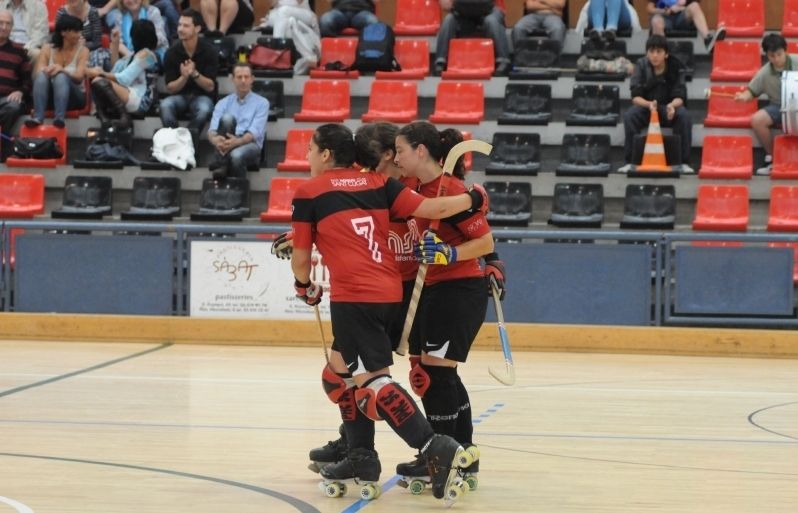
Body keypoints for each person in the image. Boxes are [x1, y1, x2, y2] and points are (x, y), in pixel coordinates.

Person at [290, 122, 488, 502]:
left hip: (363, 295)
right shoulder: (380, 185)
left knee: (377, 381)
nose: (306, 157)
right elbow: (434, 209)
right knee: (339, 374)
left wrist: (304, 286)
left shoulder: (309, 191)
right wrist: (475, 198)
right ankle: (359, 453)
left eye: (310, 150)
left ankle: (434, 446)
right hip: (391, 288)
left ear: (326, 154)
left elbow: (302, 260)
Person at [391, 121, 503, 491]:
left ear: (421, 150)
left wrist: (448, 253)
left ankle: (440, 456)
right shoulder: (416, 189)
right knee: (437, 375)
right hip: (430, 292)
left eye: (402, 150)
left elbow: (485, 243)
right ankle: (463, 453)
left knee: (437, 376)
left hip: (458, 290)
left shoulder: (452, 190)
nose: (397, 158)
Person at [619, 35, 692, 174]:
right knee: (629, 116)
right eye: (651, 52)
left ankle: (683, 162)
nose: (654, 55)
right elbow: (635, 97)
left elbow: (681, 96)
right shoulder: (640, 65)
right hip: (647, 107)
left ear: (666, 53)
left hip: (667, 107)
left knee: (684, 116)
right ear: (647, 53)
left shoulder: (675, 66)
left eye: (659, 52)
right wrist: (649, 105)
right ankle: (630, 161)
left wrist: (672, 105)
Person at [734, 34, 795, 176]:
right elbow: (751, 91)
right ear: (767, 55)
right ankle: (773, 157)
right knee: (757, 120)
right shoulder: (764, 73)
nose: (777, 59)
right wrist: (743, 96)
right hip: (778, 107)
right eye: (772, 56)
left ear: (785, 51)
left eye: (779, 54)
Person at [86, 18, 159, 128]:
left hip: (141, 101)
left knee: (99, 80)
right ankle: (104, 116)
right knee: (98, 81)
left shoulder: (148, 56)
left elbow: (124, 79)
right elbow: (115, 72)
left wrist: (101, 73)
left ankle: (123, 117)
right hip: (128, 95)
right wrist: (115, 44)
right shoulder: (132, 56)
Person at [160, 8, 218, 146]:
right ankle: (175, 142)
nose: (180, 29)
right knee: (165, 105)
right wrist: (184, 77)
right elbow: (170, 88)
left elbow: (210, 86)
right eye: (179, 25)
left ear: (197, 28)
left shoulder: (209, 51)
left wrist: (194, 73)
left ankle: (188, 142)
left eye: (186, 26)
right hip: (180, 95)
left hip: (202, 96)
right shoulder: (171, 52)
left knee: (204, 109)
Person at [26, 14, 89, 129]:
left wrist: (63, 71)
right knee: (41, 76)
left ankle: (59, 118)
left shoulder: (83, 51)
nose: (79, 35)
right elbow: (38, 73)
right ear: (63, 32)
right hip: (49, 96)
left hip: (74, 97)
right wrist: (48, 70)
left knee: (61, 76)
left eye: (80, 31)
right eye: (76, 31)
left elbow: (79, 77)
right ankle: (38, 117)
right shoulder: (47, 48)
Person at [207, 62, 268, 179]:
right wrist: (215, 140)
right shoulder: (222, 103)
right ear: (232, 79)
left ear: (252, 79)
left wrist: (237, 142)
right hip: (225, 142)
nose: (243, 81)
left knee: (237, 155)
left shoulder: (262, 103)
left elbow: (253, 133)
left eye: (246, 77)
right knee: (227, 118)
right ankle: (223, 162)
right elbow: (212, 131)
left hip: (250, 145)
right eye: (239, 77)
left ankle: (225, 169)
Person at [434, 0, 511, 76]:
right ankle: (440, 61)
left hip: (491, 9)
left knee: (492, 21)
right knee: (449, 20)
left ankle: (503, 61)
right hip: (463, 12)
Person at [0, 9, 32, 161]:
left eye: (8, 24)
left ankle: (4, 147)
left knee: (12, 107)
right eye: (1, 23)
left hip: (8, 98)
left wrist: (20, 91)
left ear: (12, 27)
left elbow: (27, 80)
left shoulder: (19, 51)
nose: (4, 27)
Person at [647, 0, 725, 54]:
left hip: (682, 17)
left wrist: (680, 8)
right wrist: (664, 11)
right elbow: (649, 8)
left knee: (694, 6)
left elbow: (694, 2)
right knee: (656, 21)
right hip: (664, 18)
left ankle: (708, 40)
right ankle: (661, 52)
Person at [56, 0, 106, 69]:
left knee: (98, 56)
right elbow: (57, 39)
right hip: (67, 50)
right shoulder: (61, 13)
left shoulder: (93, 12)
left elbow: (97, 42)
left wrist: (83, 45)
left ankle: (95, 77)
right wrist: (74, 46)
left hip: (90, 50)